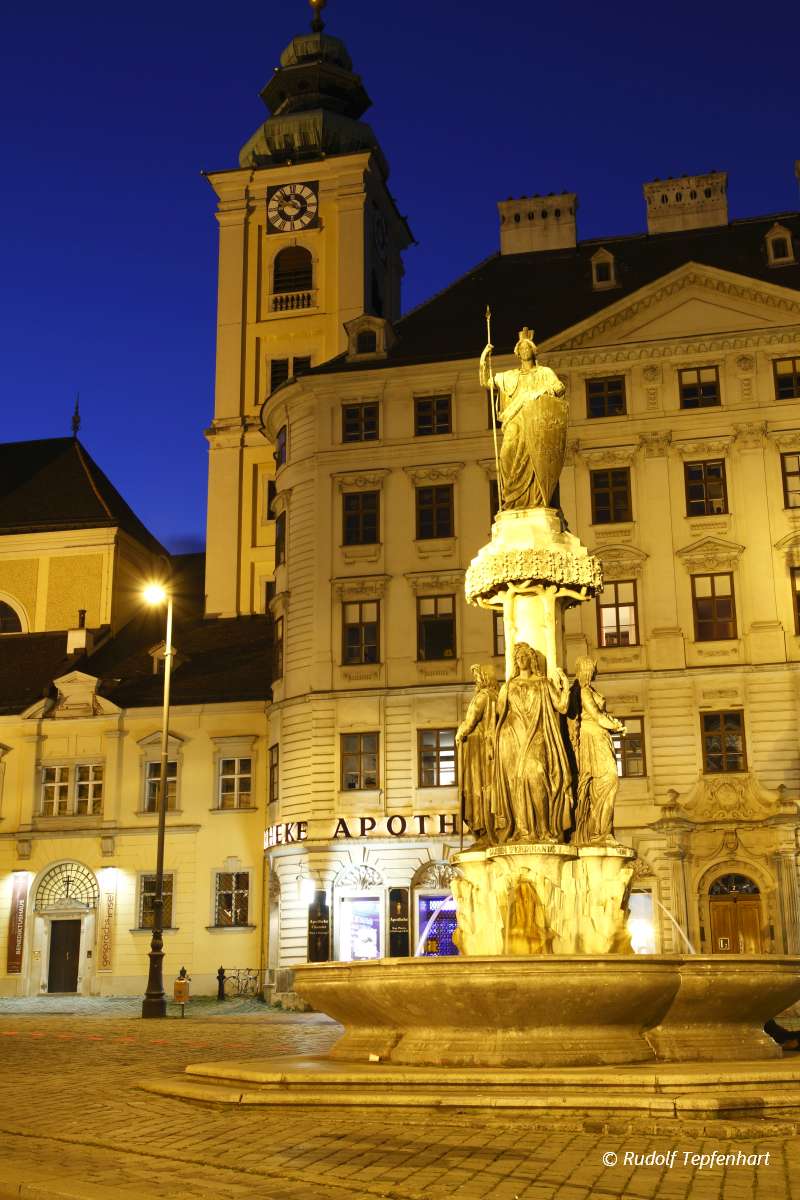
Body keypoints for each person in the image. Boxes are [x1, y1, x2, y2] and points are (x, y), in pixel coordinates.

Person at [479, 327, 568, 510]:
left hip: (536, 424)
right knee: (506, 455)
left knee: (537, 460)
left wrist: (543, 391)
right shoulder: (510, 377)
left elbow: (559, 387)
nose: (525, 351)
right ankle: (512, 499)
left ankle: (537, 500)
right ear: (517, 354)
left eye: (527, 348)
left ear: (533, 351)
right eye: (521, 349)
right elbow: (486, 382)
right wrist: (484, 359)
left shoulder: (544, 373)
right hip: (515, 422)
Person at [494, 642, 572, 842]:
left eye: (524, 656)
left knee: (537, 775)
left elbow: (562, 707)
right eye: (518, 657)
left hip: (537, 734)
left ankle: (544, 829)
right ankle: (523, 830)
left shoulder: (543, 683)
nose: (521, 660)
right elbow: (499, 713)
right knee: (517, 783)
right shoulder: (509, 685)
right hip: (513, 737)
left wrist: (566, 687)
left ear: (531, 659)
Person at [571, 656, 626, 845]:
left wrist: (612, 723)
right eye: (592, 670)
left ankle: (603, 831)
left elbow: (601, 716)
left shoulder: (590, 690)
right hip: (592, 738)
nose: (595, 673)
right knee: (607, 779)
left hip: (601, 737)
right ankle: (598, 832)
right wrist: (615, 725)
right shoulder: (584, 692)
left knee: (607, 782)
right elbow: (595, 715)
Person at [456, 664, 499, 846]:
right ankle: (485, 827)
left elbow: (471, 720)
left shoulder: (483, 697)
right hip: (486, 747)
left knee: (476, 788)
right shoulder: (496, 696)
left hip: (477, 749)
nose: (476, 681)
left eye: (478, 677)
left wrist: (460, 733)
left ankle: (482, 828)